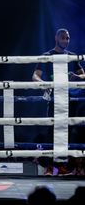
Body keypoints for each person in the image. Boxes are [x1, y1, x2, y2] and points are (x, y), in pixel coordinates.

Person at [32, 28, 85, 175]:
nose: (66, 41)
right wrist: (45, 84)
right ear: (56, 38)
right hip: (54, 99)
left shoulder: (72, 57)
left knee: (66, 132)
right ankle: (49, 166)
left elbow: (83, 75)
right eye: (63, 38)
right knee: (51, 132)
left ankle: (61, 166)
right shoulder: (47, 56)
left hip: (69, 99)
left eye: (67, 38)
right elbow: (35, 76)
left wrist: (76, 76)